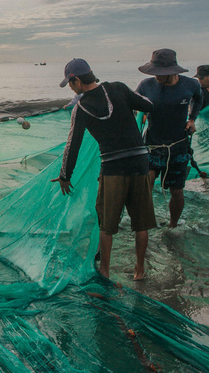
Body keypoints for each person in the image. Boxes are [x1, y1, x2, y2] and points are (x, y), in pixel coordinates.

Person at [51, 59, 156, 280]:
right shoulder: (117, 87)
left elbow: (73, 145)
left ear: (77, 80)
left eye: (70, 84)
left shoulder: (80, 109)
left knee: (106, 224)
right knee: (141, 223)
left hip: (113, 168)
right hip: (139, 163)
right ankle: (139, 271)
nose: (71, 89)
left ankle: (105, 272)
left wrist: (64, 176)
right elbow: (148, 105)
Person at [135, 49, 202, 229]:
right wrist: (139, 115)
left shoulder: (191, 85)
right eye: (154, 72)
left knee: (177, 191)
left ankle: (173, 225)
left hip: (178, 146)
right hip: (152, 144)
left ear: (173, 71)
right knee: (145, 185)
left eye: (160, 73)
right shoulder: (145, 85)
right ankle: (145, 225)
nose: (156, 76)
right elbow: (133, 106)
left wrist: (192, 119)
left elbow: (198, 98)